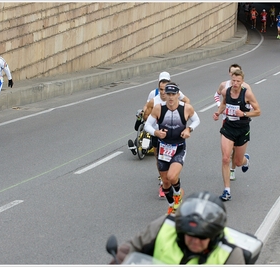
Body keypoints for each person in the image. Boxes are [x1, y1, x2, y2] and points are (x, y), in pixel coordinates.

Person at [110, 191, 246, 264]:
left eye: (202, 237)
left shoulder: (230, 256)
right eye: (190, 234)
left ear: (214, 237)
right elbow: (131, 248)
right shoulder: (164, 226)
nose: (195, 241)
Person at [144, 82, 200, 214]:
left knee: (172, 176)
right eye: (167, 94)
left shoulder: (186, 108)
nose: (170, 97)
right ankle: (172, 205)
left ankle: (178, 193)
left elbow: (197, 120)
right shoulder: (158, 108)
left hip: (179, 147)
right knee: (165, 181)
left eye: (173, 94)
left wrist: (188, 129)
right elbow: (147, 125)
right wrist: (156, 133)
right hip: (163, 147)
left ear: (178, 95)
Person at [213, 69, 261, 201]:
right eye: (233, 80)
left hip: (242, 129)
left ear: (242, 82)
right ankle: (227, 190)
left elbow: (258, 111)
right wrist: (218, 113)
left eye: (238, 81)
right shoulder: (226, 92)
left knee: (238, 162)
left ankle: (245, 160)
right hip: (228, 128)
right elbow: (223, 104)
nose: (235, 83)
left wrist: (244, 114)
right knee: (225, 159)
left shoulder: (247, 94)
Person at [214, 64, 252, 181]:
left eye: (236, 73)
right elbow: (217, 95)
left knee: (236, 149)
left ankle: (236, 166)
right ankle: (230, 170)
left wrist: (244, 112)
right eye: (231, 73)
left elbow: (250, 104)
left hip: (240, 122)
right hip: (226, 120)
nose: (233, 77)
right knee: (227, 152)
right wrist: (219, 108)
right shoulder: (224, 85)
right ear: (229, 74)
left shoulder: (245, 87)